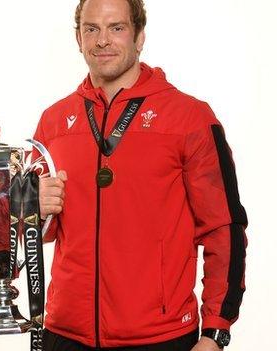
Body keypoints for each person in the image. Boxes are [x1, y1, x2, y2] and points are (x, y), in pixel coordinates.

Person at [36, 0, 247, 350]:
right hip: (64, 333)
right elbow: (38, 232)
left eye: (116, 28)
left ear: (139, 36)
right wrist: (33, 209)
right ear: (78, 37)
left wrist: (215, 331)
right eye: (92, 28)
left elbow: (223, 228)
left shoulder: (189, 118)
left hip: (159, 336)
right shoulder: (53, 121)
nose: (102, 40)